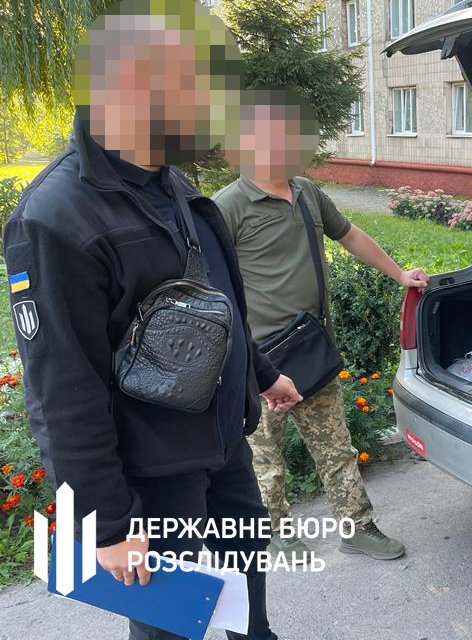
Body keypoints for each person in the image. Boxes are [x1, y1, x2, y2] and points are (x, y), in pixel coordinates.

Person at [3, 5, 301, 639]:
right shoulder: (54, 218)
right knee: (169, 626)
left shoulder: (169, 182)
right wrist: (104, 523)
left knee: (248, 593)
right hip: (150, 474)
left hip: (221, 444)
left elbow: (207, 302)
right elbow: (63, 388)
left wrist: (261, 373)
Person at [213, 94, 428, 560]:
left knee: (336, 447)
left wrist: (399, 274)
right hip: (260, 360)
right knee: (264, 455)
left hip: (311, 348)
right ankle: (274, 531)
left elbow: (350, 235)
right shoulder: (228, 206)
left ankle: (358, 528)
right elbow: (211, 286)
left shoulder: (307, 192)